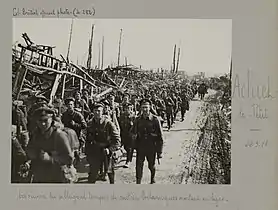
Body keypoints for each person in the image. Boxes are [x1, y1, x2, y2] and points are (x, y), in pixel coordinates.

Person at [26, 106, 74, 183]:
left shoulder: (59, 135)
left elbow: (69, 158)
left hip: (56, 176)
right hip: (40, 175)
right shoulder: (35, 134)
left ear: (51, 120)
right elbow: (30, 149)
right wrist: (30, 157)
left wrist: (50, 159)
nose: (43, 123)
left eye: (46, 120)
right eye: (40, 120)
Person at [85, 103, 121, 184]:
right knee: (92, 174)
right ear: (92, 112)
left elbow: (117, 140)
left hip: (107, 151)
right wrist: (87, 153)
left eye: (99, 111)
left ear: (102, 112)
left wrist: (110, 149)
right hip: (95, 151)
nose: (97, 113)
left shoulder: (108, 124)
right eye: (95, 111)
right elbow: (87, 140)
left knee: (110, 171)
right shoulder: (90, 124)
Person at [132, 99, 164, 184]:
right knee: (138, 166)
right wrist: (134, 137)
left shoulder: (155, 120)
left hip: (151, 147)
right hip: (140, 146)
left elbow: (160, 137)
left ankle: (152, 178)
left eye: (146, 107)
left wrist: (159, 151)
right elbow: (132, 132)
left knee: (151, 165)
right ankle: (138, 182)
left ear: (150, 108)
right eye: (143, 107)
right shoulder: (137, 120)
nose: (145, 109)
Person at [119, 103, 136, 168]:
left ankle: (128, 161)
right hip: (123, 134)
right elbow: (119, 124)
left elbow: (135, 126)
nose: (128, 110)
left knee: (129, 148)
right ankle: (129, 157)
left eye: (129, 108)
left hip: (130, 135)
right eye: (126, 108)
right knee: (125, 147)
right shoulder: (122, 116)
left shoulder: (133, 116)